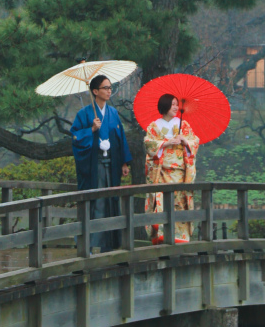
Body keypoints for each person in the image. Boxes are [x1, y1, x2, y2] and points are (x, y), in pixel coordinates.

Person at [70, 75, 132, 252]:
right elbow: (75, 138)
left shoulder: (113, 113)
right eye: (105, 88)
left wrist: (124, 162)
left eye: (110, 87)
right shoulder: (84, 114)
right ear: (95, 91)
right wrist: (91, 129)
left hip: (111, 165)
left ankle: (109, 245)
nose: (109, 91)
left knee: (111, 201)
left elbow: (121, 138)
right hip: (94, 166)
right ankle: (87, 244)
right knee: (94, 203)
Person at [144, 93, 200, 245]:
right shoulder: (154, 126)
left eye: (177, 104)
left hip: (180, 172)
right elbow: (148, 144)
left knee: (179, 202)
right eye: (173, 104)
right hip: (160, 171)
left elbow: (195, 141)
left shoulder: (184, 125)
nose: (176, 107)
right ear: (165, 105)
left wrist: (185, 141)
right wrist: (166, 144)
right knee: (160, 201)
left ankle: (180, 237)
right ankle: (160, 234)